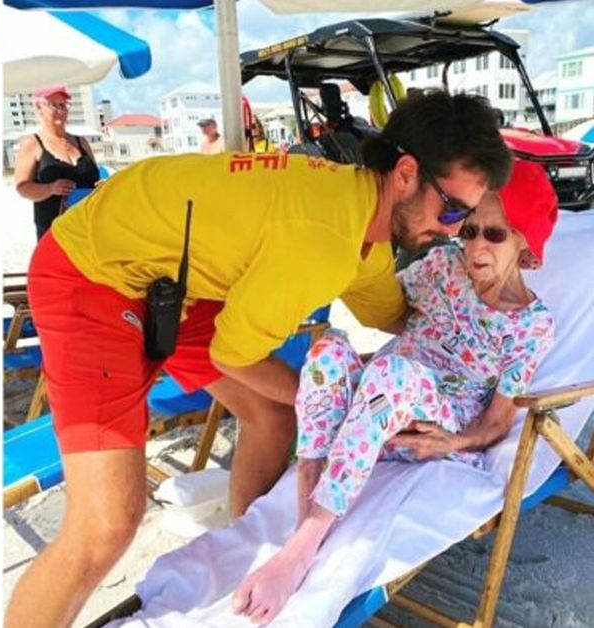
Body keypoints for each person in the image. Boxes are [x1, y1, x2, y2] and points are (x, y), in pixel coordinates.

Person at [4, 90, 513, 628]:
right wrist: (333, 402)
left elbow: (398, 314)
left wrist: (489, 321)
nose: (456, 231)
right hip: (91, 272)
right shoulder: (324, 238)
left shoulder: (363, 217)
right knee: (105, 526)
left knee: (272, 415)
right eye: (453, 210)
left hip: (176, 278)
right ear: (406, 174)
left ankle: (245, 559)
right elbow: (235, 355)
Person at [231, 160, 557, 623]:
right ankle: (308, 504)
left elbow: (499, 419)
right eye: (469, 232)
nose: (476, 246)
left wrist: (456, 440)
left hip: (428, 421)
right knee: (328, 351)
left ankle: (302, 548)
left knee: (392, 375)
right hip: (377, 405)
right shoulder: (443, 265)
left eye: (496, 235)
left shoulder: (531, 325)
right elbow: (378, 296)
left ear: (525, 242)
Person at [13, 86, 100, 240]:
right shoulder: (32, 143)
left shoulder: (82, 142)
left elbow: (95, 181)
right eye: (54, 105)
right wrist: (51, 188)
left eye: (63, 105)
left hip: (88, 228)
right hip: (54, 230)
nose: (61, 110)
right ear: (39, 108)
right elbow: (22, 187)